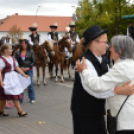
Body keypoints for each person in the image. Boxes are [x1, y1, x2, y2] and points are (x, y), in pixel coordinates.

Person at [71, 25, 134, 134]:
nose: (108, 46)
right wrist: (118, 91)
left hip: (97, 112)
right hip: (85, 114)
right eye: (105, 42)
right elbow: (94, 89)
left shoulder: (102, 61)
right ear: (94, 43)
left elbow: (108, 82)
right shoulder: (85, 62)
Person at [0, 44, 30, 117]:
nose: (11, 50)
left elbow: (17, 68)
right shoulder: (1, 59)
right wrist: (1, 81)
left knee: (14, 95)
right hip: (5, 79)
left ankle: (19, 111)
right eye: (10, 49)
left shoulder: (12, 58)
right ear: (5, 50)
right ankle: (2, 110)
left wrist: (24, 74)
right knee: (3, 98)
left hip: (13, 79)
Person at [14, 38, 36, 104]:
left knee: (30, 84)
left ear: (27, 44)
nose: (23, 44)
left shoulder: (31, 51)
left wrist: (28, 67)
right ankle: (20, 99)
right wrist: (20, 68)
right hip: (20, 70)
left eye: (25, 43)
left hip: (29, 70)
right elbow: (15, 62)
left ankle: (32, 98)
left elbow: (33, 61)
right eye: (22, 43)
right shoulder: (17, 52)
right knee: (21, 84)